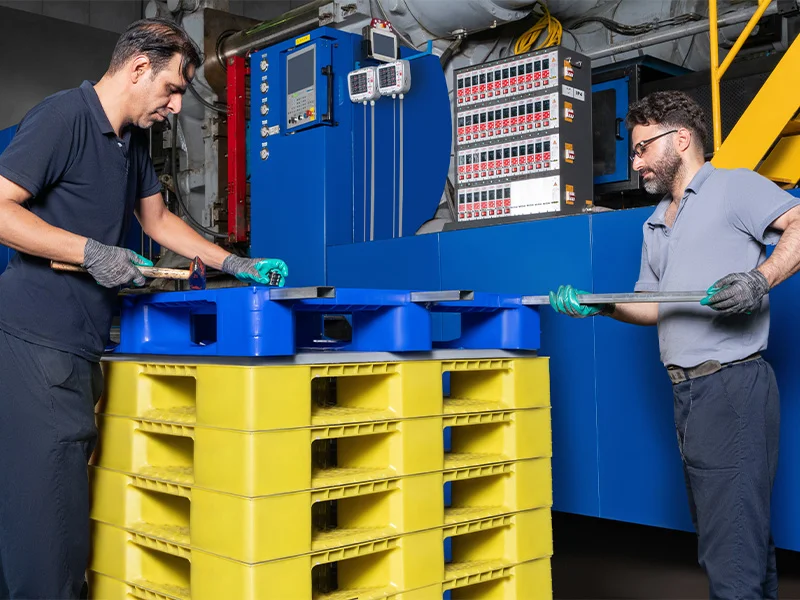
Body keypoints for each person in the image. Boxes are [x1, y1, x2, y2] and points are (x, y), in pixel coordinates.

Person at [0, 18, 288, 599]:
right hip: (35, 339)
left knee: (47, 511)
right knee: (49, 527)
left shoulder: (128, 144)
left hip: (78, 343)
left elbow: (156, 221)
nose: (177, 106)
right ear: (138, 68)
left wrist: (234, 264)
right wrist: (90, 251)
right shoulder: (64, 118)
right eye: (174, 89)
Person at [550, 90, 800, 598]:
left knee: (730, 547)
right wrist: (602, 305)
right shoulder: (654, 222)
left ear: (681, 140)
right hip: (689, 394)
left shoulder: (734, 189)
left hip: (732, 386)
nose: (636, 162)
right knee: (736, 534)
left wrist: (760, 279)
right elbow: (652, 306)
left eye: (643, 148)